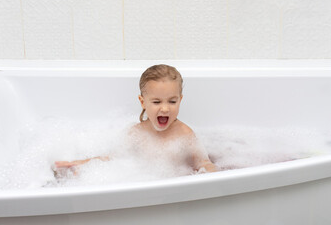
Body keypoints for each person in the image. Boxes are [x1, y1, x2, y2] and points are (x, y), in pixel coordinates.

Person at [54, 64, 217, 176]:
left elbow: (203, 162)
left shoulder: (185, 134)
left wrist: (210, 170)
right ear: (142, 102)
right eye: (157, 102)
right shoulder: (137, 132)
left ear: (180, 100)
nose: (165, 108)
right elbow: (114, 158)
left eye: (172, 101)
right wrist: (84, 163)